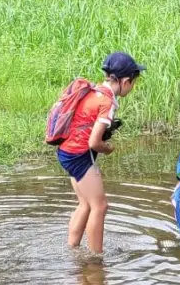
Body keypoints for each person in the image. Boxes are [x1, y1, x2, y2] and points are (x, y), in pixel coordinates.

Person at [58, 52, 143, 255]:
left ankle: (73, 249)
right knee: (100, 206)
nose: (132, 87)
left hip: (65, 151)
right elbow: (94, 142)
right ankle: (96, 259)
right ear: (125, 81)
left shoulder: (93, 91)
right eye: (133, 83)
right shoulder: (108, 103)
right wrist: (108, 149)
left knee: (86, 204)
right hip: (80, 156)